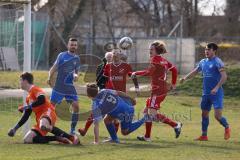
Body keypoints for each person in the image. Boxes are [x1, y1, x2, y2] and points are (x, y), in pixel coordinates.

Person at [78, 49, 139, 136]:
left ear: (120, 55)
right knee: (96, 111)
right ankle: (84, 130)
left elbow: (133, 75)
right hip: (109, 93)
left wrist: (136, 87)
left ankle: (114, 136)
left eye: (117, 54)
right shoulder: (108, 66)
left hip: (120, 94)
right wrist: (95, 85)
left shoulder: (126, 66)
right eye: (114, 53)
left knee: (115, 118)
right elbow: (103, 78)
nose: (115, 55)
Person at [8, 72, 79, 144]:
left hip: (48, 112)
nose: (20, 82)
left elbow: (42, 99)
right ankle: (58, 138)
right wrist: (15, 129)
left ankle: (71, 138)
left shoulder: (35, 89)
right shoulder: (28, 98)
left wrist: (27, 107)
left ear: (25, 81)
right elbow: (26, 115)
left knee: (43, 125)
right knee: (27, 139)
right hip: (40, 120)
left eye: (20, 80)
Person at [131, 41, 182, 142]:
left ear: (156, 50)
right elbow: (174, 70)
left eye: (152, 49)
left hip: (158, 90)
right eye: (149, 49)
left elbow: (149, 72)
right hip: (161, 88)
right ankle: (147, 136)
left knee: (152, 115)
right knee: (146, 112)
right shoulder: (163, 60)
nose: (150, 51)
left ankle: (176, 125)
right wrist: (173, 84)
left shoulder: (154, 59)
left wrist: (136, 73)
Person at [180, 42, 230, 141]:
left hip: (216, 93)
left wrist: (216, 88)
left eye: (209, 50)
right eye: (205, 49)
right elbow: (195, 71)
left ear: (214, 51)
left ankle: (227, 127)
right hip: (206, 93)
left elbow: (224, 77)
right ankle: (204, 135)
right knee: (204, 114)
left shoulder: (217, 61)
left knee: (217, 116)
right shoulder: (203, 62)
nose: (206, 51)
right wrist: (185, 78)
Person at [47, 38, 80, 135]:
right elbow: (53, 68)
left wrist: (75, 76)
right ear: (68, 45)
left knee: (76, 107)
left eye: (75, 45)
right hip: (59, 86)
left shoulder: (77, 59)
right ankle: (47, 125)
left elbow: (76, 73)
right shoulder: (62, 55)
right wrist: (49, 77)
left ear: (77, 46)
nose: (73, 46)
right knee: (51, 107)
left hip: (69, 87)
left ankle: (73, 130)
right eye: (71, 44)